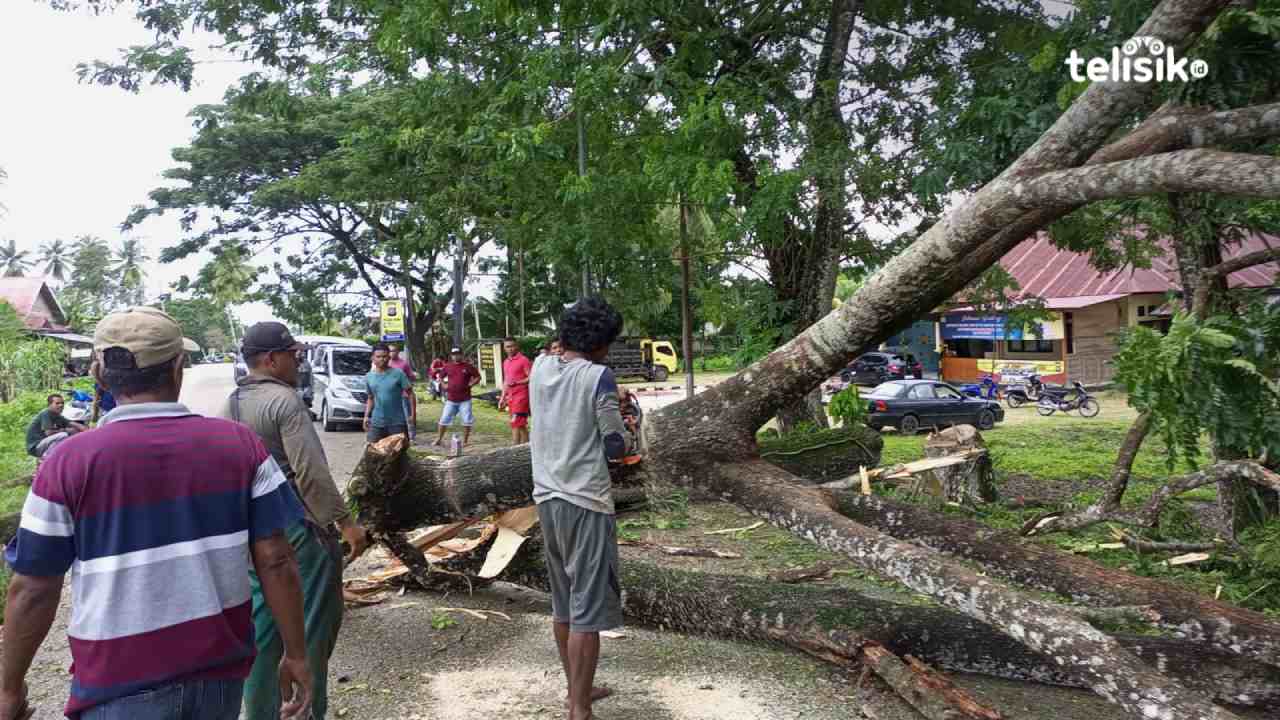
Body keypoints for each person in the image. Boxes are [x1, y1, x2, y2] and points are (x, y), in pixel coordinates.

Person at [1, 307, 312, 720]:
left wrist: (8, 689)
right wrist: (296, 653)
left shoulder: (67, 462)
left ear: (99, 374)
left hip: (116, 686)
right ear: (179, 368)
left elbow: (34, 587)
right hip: (219, 679)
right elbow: (276, 558)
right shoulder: (240, 446)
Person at [220, 322, 371, 720]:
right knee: (312, 630)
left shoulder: (231, 403)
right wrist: (345, 522)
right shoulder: (285, 401)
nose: (299, 360)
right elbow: (310, 473)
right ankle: (308, 712)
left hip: (254, 531)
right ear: (271, 360)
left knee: (264, 630)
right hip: (297, 529)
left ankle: (261, 713)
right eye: (293, 354)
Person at [529, 297, 628, 720]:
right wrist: (626, 421)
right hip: (585, 500)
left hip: (546, 498)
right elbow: (615, 445)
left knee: (564, 603)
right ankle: (580, 708)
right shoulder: (598, 376)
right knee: (587, 608)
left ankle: (576, 689)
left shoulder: (539, 368)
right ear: (601, 343)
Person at [363, 343, 413, 443]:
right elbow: (370, 398)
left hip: (397, 423)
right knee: (373, 452)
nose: (382, 359)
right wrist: (366, 416)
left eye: (385, 356)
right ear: (373, 358)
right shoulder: (369, 377)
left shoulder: (398, 374)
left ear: (389, 357)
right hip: (377, 423)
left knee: (399, 453)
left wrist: (413, 415)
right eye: (378, 356)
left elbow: (411, 394)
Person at [433, 347, 480, 448]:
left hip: (465, 399)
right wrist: (443, 384)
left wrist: (471, 384)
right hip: (451, 399)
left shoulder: (468, 366)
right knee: (444, 419)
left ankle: (465, 441)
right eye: (454, 354)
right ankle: (439, 439)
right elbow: (440, 376)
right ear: (451, 355)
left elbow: (478, 377)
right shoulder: (447, 366)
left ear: (461, 355)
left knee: (467, 420)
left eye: (458, 354)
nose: (456, 356)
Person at [24, 393, 86, 459]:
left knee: (74, 432)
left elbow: (73, 424)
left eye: (62, 403)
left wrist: (87, 430)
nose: (61, 405)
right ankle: (47, 458)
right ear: (49, 405)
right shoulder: (46, 414)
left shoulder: (57, 416)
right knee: (63, 435)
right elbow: (49, 433)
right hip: (36, 446)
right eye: (57, 403)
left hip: (45, 443)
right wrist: (66, 430)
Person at [499, 337, 533, 445]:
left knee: (515, 423)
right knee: (520, 424)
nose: (511, 349)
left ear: (517, 346)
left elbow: (531, 377)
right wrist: (502, 397)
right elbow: (506, 381)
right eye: (508, 347)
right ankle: (526, 448)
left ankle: (514, 449)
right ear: (504, 348)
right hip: (511, 397)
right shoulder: (505, 362)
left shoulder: (524, 360)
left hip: (522, 397)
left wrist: (518, 383)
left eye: (512, 346)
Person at [387, 344, 418, 439]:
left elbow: (411, 376)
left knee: (408, 415)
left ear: (398, 352)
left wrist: (411, 379)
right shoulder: (387, 363)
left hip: (404, 394)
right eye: (390, 351)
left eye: (394, 350)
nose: (392, 353)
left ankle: (411, 435)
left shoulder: (404, 364)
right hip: (391, 395)